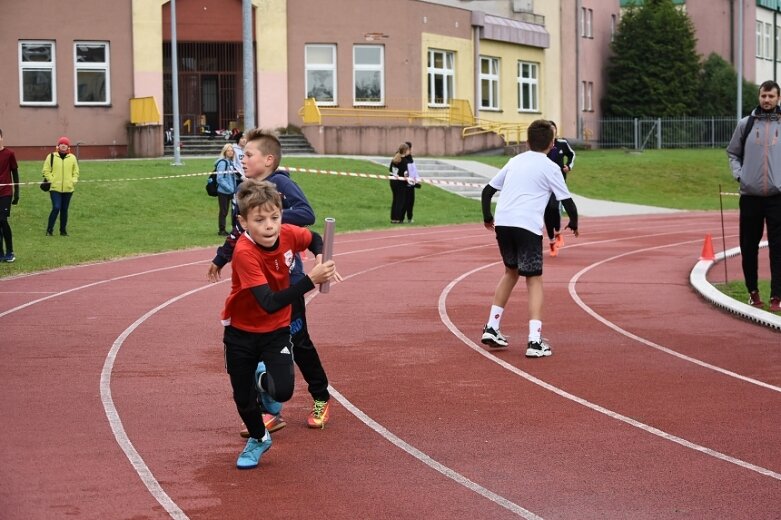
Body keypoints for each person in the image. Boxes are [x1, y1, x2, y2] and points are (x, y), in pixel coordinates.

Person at [208, 129, 335, 432]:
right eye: (242, 154)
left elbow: (307, 214)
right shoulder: (249, 189)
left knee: (300, 344)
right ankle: (272, 411)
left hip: (287, 284)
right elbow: (239, 232)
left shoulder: (279, 183)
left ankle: (321, 396)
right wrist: (220, 258)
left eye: (248, 155)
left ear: (268, 160)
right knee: (262, 348)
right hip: (259, 284)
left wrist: (272, 220)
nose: (243, 160)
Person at [221, 178, 338, 469]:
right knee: (243, 399)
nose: (269, 225)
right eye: (259, 220)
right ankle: (259, 439)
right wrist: (313, 279)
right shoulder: (245, 253)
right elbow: (269, 301)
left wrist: (321, 256)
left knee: (283, 391)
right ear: (244, 222)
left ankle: (264, 383)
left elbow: (313, 238)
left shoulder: (286, 234)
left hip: (275, 330)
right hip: (242, 332)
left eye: (274, 217)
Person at [480, 119, 580, 357]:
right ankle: (535, 341)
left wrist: (487, 216)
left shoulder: (515, 160)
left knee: (510, 272)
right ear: (552, 144)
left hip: (503, 223)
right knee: (534, 279)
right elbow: (566, 201)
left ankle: (492, 326)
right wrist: (574, 222)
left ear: (527, 141)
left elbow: (487, 191)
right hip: (526, 226)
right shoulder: (550, 167)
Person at [726, 79, 781, 313]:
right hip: (750, 197)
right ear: (759, 97)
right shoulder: (745, 124)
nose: (766, 100)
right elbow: (732, 153)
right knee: (749, 246)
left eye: (771, 96)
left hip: (778, 198)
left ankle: (777, 296)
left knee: (778, 248)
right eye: (763, 96)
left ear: (778, 98)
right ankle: (752, 292)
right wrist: (741, 176)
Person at [543, 121, 576, 257]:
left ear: (556, 131)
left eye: (554, 129)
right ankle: (551, 241)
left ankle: (557, 232)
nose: (552, 131)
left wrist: (568, 166)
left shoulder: (562, 143)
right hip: (543, 184)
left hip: (558, 183)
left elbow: (572, 154)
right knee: (546, 211)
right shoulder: (542, 146)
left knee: (553, 207)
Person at [42, 136, 79, 236]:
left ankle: (63, 231)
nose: (63, 145)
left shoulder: (72, 158)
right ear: (58, 146)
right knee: (56, 207)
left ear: (68, 147)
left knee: (64, 209)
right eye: (61, 144)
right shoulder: (51, 156)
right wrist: (52, 180)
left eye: (65, 144)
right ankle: (49, 230)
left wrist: (73, 181)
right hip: (55, 188)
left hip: (68, 188)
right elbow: (46, 170)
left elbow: (76, 172)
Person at [0, 128, 20, 263]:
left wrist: (17, 193)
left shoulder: (9, 154)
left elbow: (15, 173)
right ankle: (0, 253)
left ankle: (10, 252)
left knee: (2, 220)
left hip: (6, 192)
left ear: (1, 137)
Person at [215, 143, 240, 236]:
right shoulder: (223, 163)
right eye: (228, 150)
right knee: (223, 211)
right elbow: (220, 178)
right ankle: (221, 230)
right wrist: (229, 188)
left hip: (231, 190)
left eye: (232, 150)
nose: (230, 152)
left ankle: (233, 228)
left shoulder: (230, 162)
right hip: (223, 191)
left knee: (232, 210)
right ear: (225, 152)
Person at [388, 142, 411, 224]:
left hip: (393, 182)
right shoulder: (404, 161)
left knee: (395, 200)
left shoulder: (394, 159)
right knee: (400, 201)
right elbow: (405, 174)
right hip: (400, 183)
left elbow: (390, 170)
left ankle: (393, 218)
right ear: (406, 151)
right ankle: (397, 219)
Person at [403, 141, 421, 224]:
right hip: (404, 184)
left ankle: (410, 218)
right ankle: (401, 217)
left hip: (411, 184)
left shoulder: (411, 158)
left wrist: (417, 180)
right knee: (404, 202)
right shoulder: (402, 159)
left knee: (411, 202)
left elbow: (414, 171)